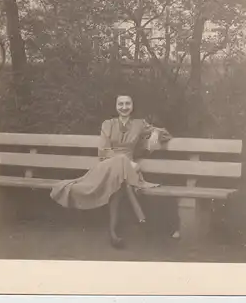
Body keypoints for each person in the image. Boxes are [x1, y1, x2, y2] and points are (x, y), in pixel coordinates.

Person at [50, 94, 171, 248]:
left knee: (118, 186)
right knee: (120, 170)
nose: (124, 107)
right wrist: (125, 162)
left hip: (126, 170)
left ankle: (113, 232)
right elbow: (103, 150)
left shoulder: (139, 124)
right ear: (116, 106)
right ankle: (140, 221)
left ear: (132, 106)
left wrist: (155, 133)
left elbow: (166, 133)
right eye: (121, 104)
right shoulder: (108, 124)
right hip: (108, 165)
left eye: (128, 103)